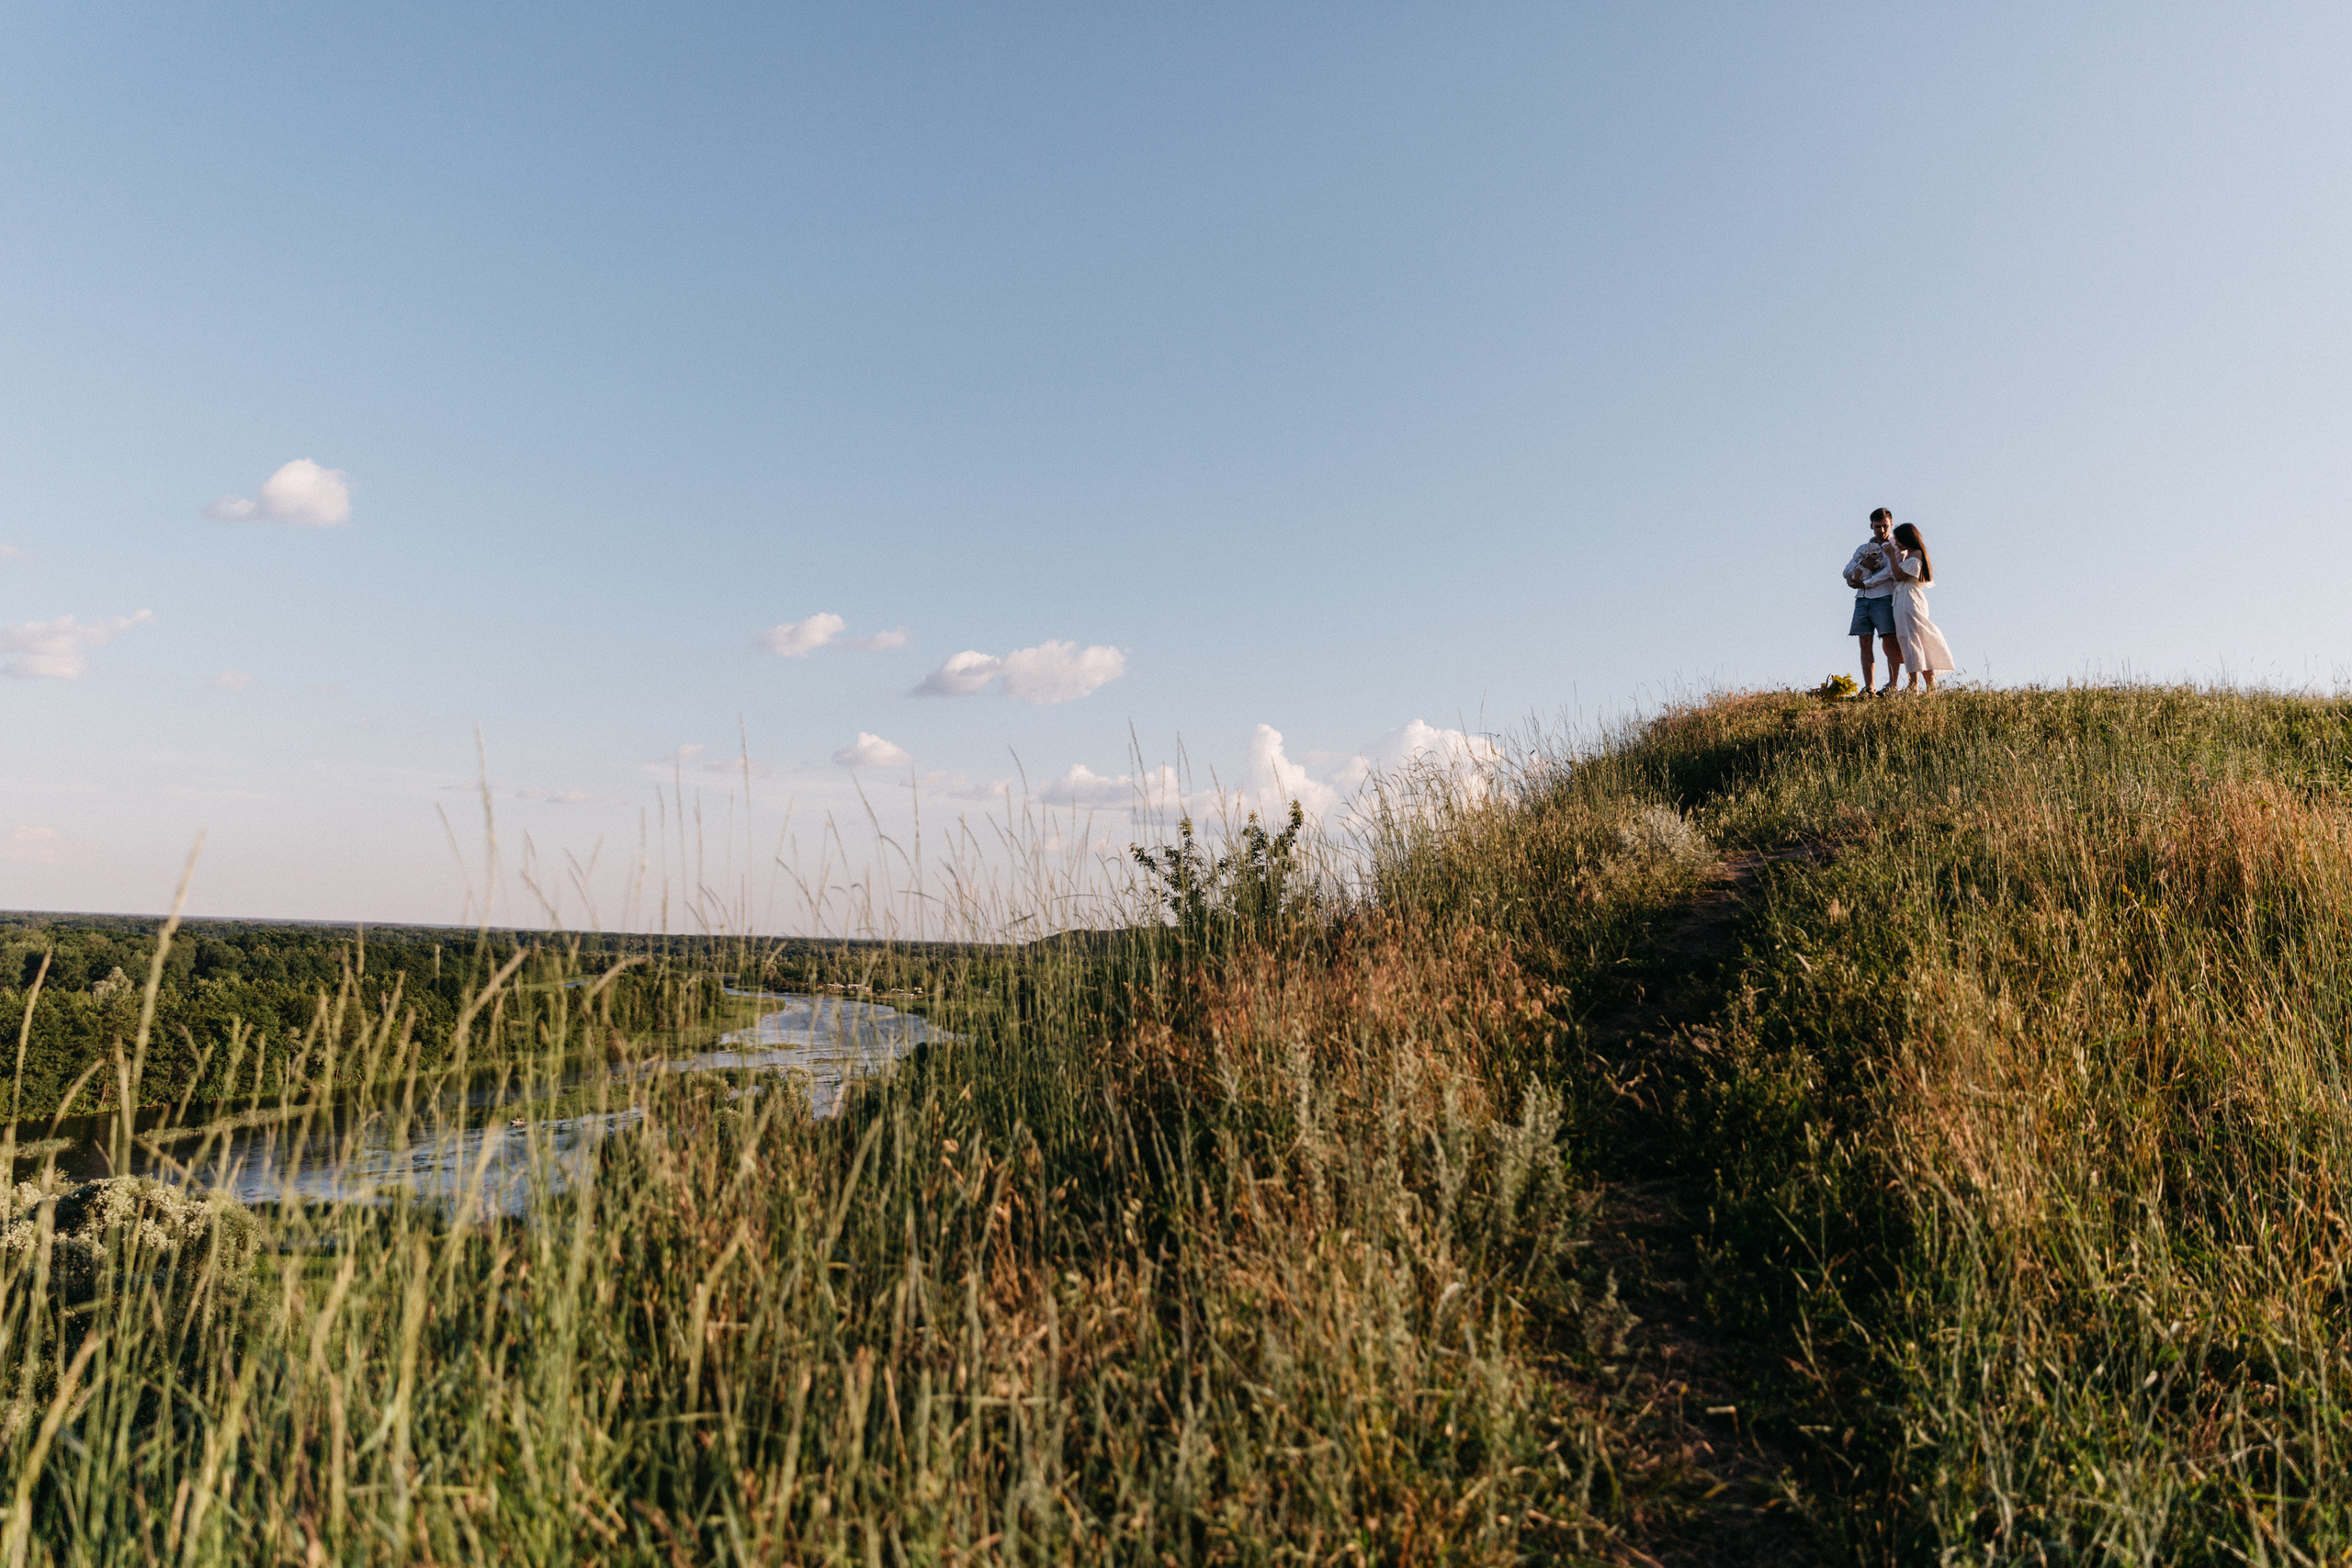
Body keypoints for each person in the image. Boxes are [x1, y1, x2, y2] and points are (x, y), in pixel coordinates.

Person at [1883, 522, 1955, 691]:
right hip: (1905, 598)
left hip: (1908, 599)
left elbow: (1900, 576)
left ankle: (1913, 684)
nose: (1898, 543)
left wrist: (1892, 557)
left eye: (1900, 540)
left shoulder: (1915, 555)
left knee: (1911, 638)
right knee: (1918, 639)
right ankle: (1929, 685)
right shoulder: (1911, 555)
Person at [1841, 508, 1904, 694]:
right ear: (1871, 526)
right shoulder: (1863, 548)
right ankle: (1869, 686)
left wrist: (1866, 582)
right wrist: (1856, 577)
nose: (1881, 531)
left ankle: (1893, 684)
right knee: (1864, 642)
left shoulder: (1895, 547)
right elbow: (1846, 570)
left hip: (1883, 597)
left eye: (1885, 526)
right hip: (1862, 599)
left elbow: (1889, 572)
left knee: (1889, 640)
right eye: (1878, 527)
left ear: (1891, 524)